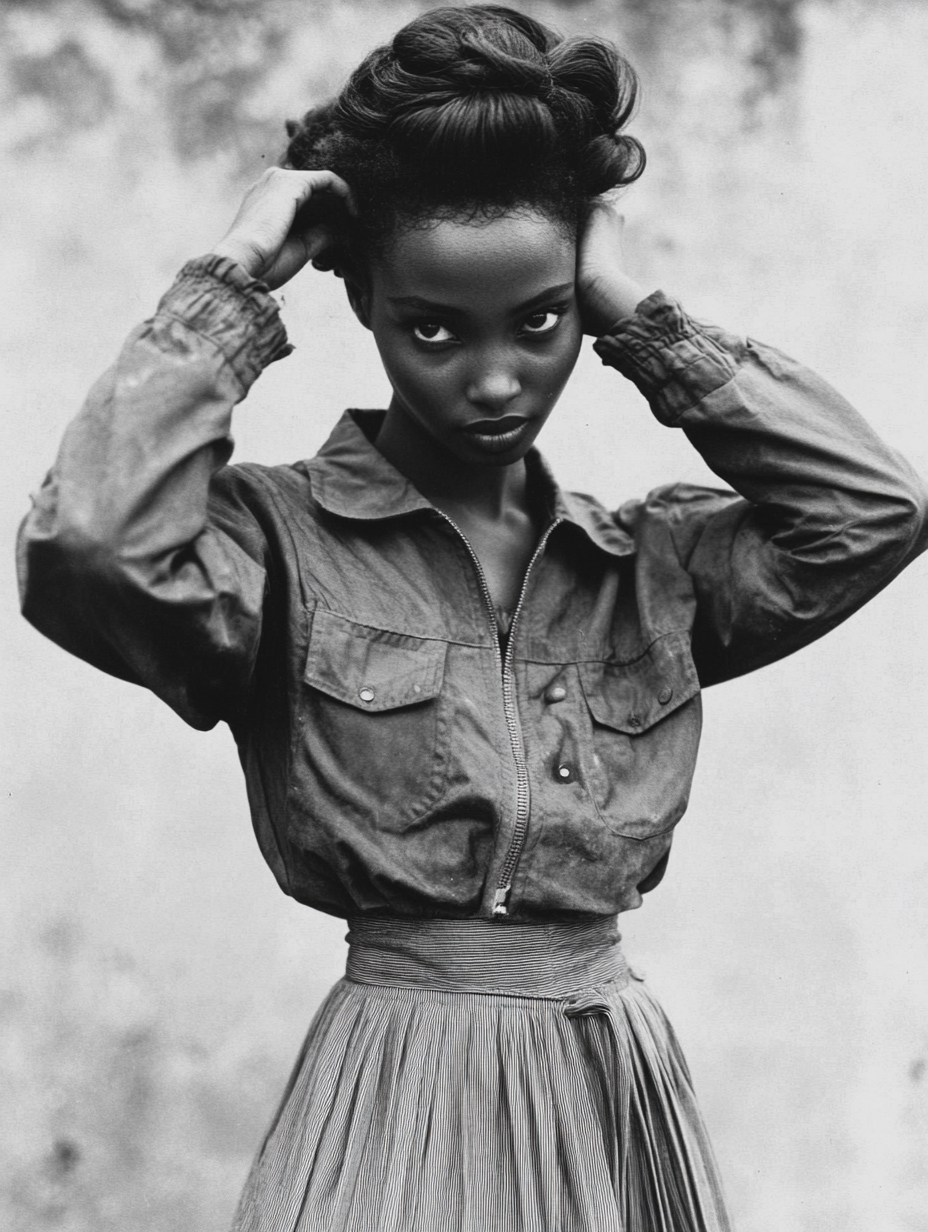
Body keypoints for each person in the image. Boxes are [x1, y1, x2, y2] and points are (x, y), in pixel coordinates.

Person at [16, 6, 928, 1231]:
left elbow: (874, 507)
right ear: (368, 307)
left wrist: (635, 307)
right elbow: (89, 546)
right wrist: (229, 286)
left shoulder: (646, 562)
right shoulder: (275, 547)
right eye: (431, 327)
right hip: (392, 1091)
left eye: (539, 322)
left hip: (611, 1095)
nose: (494, 379)